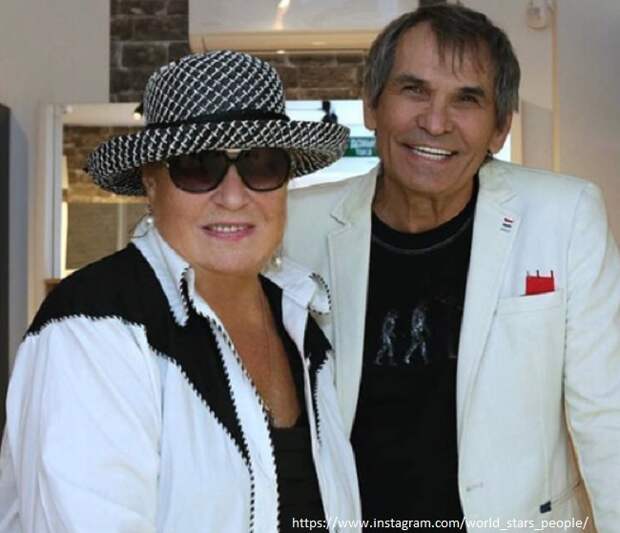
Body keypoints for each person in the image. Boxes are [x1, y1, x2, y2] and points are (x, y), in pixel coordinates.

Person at [284, 4, 620, 532]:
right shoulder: (294, 226)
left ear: (499, 128)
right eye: (413, 90)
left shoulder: (563, 216)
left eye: (467, 99)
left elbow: (608, 414)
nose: (435, 122)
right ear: (371, 105)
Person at [0, 51, 361, 532]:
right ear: (151, 183)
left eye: (261, 164)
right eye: (198, 165)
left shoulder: (300, 321)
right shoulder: (93, 327)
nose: (233, 196)